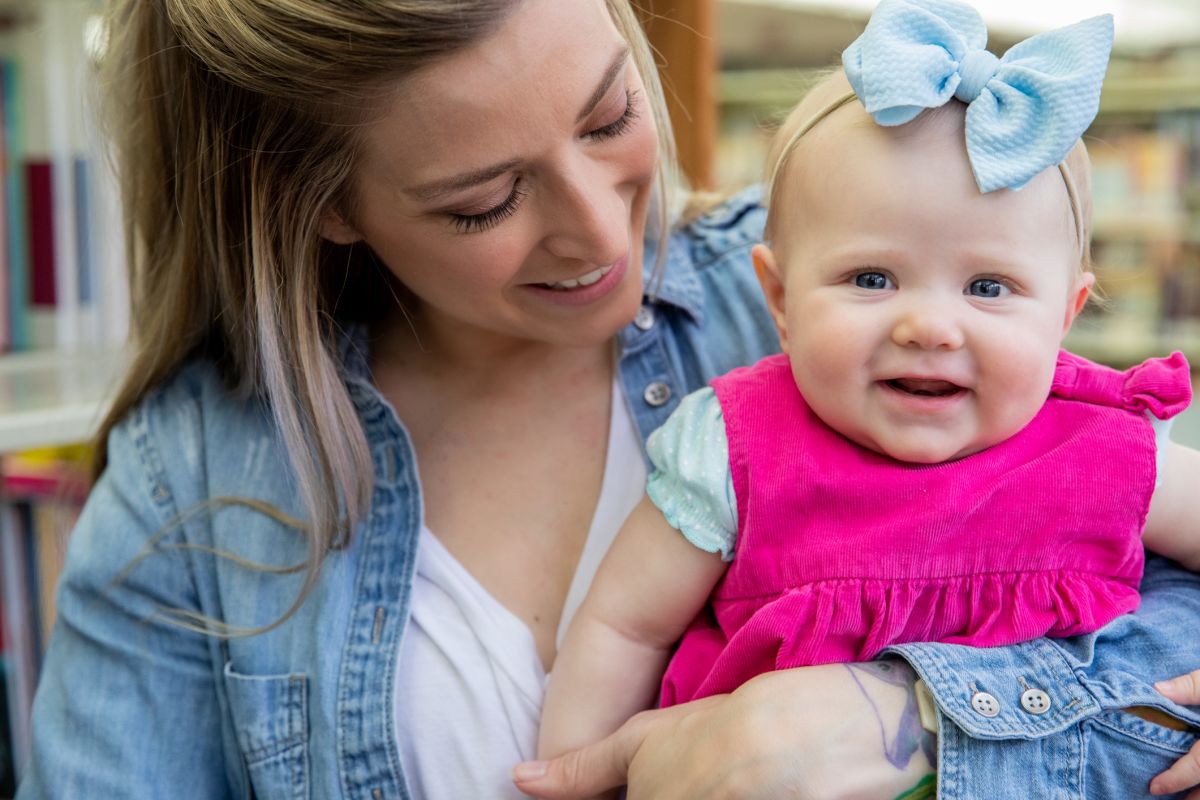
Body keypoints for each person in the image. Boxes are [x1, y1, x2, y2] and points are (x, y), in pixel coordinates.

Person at [14, 1, 1200, 799]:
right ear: (325, 205)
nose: (599, 231)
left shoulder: (890, 328)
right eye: (482, 200)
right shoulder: (192, 493)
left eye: (608, 116)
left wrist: (903, 715)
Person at [532, 1, 1200, 798]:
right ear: (778, 297)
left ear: (1065, 312)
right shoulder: (735, 448)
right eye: (871, 279)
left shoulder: (1109, 453)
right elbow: (623, 626)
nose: (927, 325)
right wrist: (580, 772)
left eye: (989, 287)